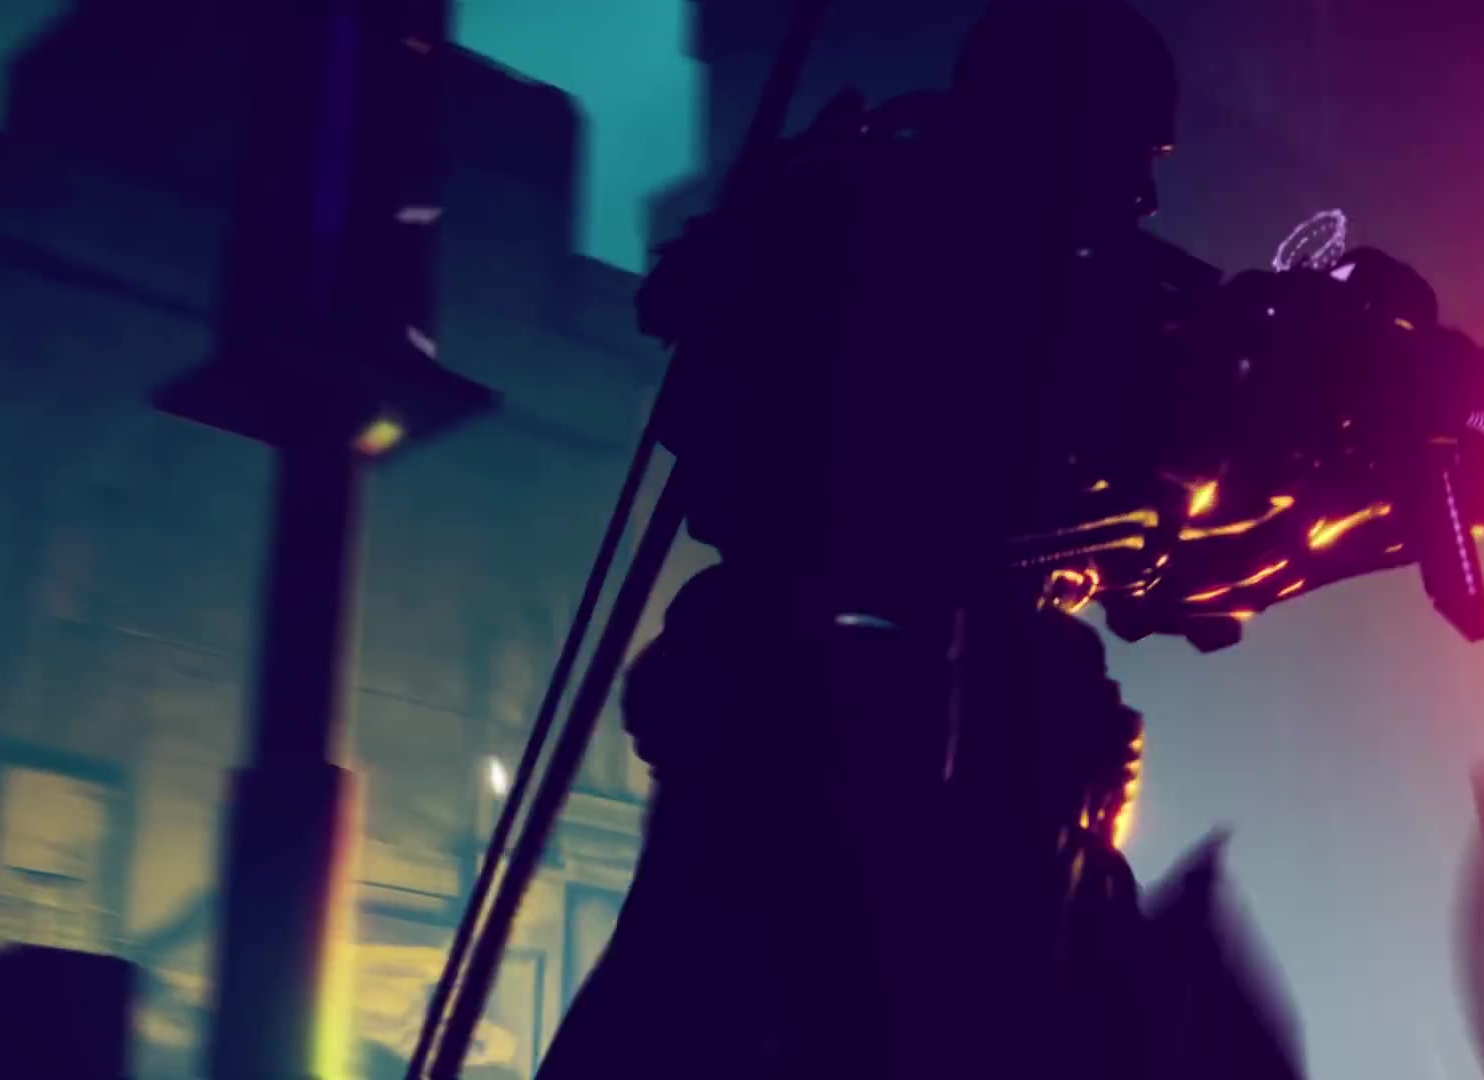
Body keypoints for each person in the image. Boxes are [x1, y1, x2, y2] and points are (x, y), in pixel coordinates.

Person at [542, 3, 1273, 1078]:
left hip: (860, 705)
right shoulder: (920, 243)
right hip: (855, 721)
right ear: (1066, 121)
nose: (1143, 190)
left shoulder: (913, 226)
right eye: (1135, 149)